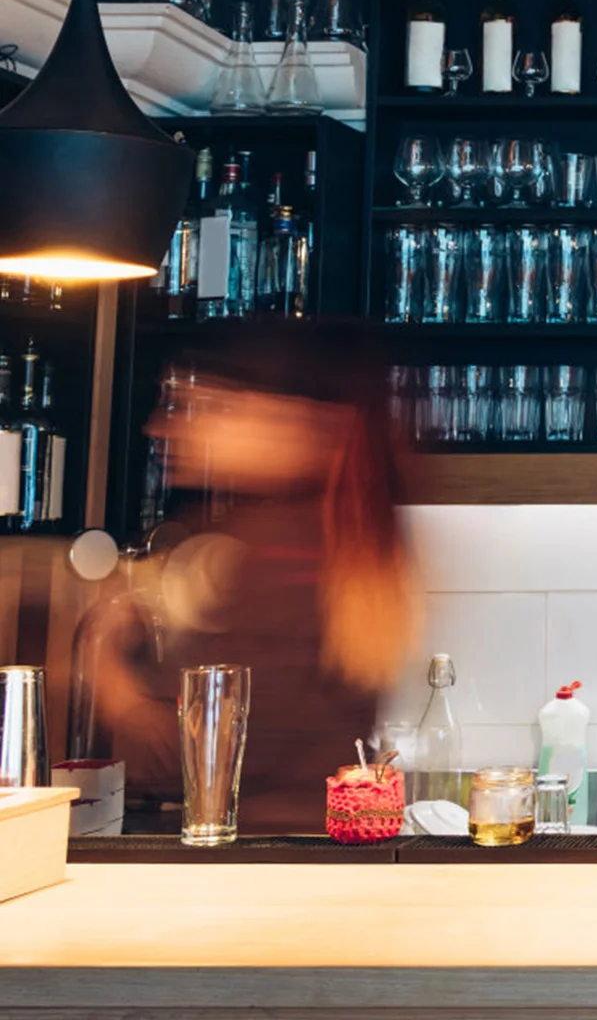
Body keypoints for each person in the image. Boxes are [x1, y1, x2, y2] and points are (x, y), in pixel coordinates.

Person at [87, 323, 418, 833]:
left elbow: (204, 757)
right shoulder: (336, 538)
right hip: (305, 846)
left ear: (285, 420)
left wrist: (109, 678)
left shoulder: (277, 552)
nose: (162, 428)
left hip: (253, 853)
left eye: (204, 407)